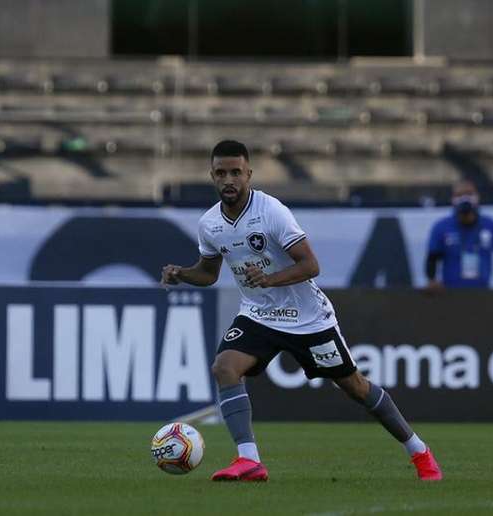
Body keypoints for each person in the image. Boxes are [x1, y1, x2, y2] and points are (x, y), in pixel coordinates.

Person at [161, 140, 441, 482]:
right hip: (258, 314)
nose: (229, 179)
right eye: (221, 173)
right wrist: (182, 275)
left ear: (249, 174)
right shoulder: (209, 224)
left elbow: (310, 265)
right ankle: (249, 460)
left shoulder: (271, 212)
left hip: (307, 318)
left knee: (355, 386)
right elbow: (208, 273)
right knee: (225, 367)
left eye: (236, 172)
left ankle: (419, 451)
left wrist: (269, 278)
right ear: (212, 176)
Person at [426, 180, 493, 291]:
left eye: (469, 194)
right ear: (452, 199)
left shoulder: (490, 225)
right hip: (451, 294)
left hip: (482, 293)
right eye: (459, 195)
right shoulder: (441, 227)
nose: (465, 198)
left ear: (477, 197)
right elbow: (432, 258)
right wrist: (431, 280)